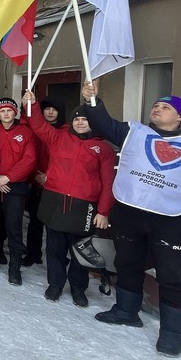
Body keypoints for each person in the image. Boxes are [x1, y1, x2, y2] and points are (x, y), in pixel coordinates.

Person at [81, 82, 181, 357]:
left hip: (169, 219)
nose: (157, 109)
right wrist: (92, 101)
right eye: (156, 105)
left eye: (165, 107)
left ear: (180, 117)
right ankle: (126, 310)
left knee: (171, 275)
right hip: (129, 212)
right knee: (127, 263)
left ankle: (172, 332)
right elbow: (103, 125)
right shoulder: (134, 132)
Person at [21, 92, 115, 306]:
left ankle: (78, 288)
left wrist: (103, 211)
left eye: (85, 119)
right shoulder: (58, 137)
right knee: (55, 248)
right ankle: (55, 284)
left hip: (84, 206)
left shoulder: (103, 148)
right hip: (56, 200)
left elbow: (108, 182)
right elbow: (38, 125)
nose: (80, 123)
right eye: (77, 119)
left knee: (81, 249)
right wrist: (31, 104)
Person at [0, 97, 37, 285]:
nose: (6, 114)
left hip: (15, 186)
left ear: (15, 112)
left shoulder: (25, 132)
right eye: (2, 111)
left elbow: (29, 159)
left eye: (9, 110)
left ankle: (15, 266)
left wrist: (8, 177)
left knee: (13, 226)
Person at [24, 98, 65, 267]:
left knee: (54, 224)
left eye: (54, 109)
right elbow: (29, 155)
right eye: (47, 109)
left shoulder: (66, 132)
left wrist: (49, 176)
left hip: (55, 184)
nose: (50, 112)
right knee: (35, 221)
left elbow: (65, 161)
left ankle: (58, 258)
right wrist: (36, 175)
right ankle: (33, 253)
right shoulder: (34, 129)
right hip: (36, 181)